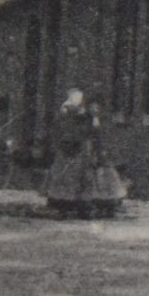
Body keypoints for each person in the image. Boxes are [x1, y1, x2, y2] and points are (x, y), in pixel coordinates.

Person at [44, 88, 95, 218]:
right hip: (74, 147)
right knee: (71, 177)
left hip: (74, 148)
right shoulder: (72, 113)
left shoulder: (77, 113)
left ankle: (75, 206)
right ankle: (70, 206)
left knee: (75, 177)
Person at [84, 98, 127, 218]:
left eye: (97, 108)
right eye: (91, 108)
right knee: (93, 176)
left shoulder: (104, 122)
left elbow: (107, 137)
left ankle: (110, 201)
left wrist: (104, 150)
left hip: (102, 153)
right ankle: (95, 201)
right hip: (91, 151)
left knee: (107, 175)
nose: (94, 110)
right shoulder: (87, 122)